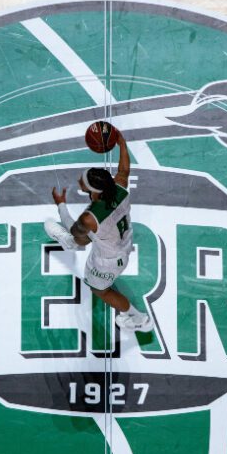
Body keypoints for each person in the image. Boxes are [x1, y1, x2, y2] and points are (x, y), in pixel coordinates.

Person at [44, 127, 153, 332]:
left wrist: (61, 206)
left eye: (83, 182)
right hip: (119, 243)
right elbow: (123, 171)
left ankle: (139, 320)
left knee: (98, 288)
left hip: (107, 261)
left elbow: (76, 230)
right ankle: (72, 243)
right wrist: (121, 143)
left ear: (92, 191)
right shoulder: (119, 187)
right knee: (88, 237)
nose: (80, 181)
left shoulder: (89, 218)